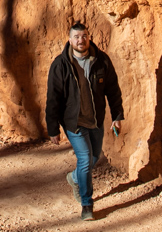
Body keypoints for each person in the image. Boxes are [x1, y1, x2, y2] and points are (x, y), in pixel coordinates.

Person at [46, 21, 124, 220]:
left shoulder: (101, 60)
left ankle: (73, 178)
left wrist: (116, 116)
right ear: (70, 40)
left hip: (95, 120)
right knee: (84, 160)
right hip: (74, 122)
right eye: (76, 37)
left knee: (93, 158)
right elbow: (53, 98)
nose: (81, 40)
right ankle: (87, 204)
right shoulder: (61, 64)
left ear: (89, 37)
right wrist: (53, 128)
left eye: (84, 36)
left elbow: (113, 90)